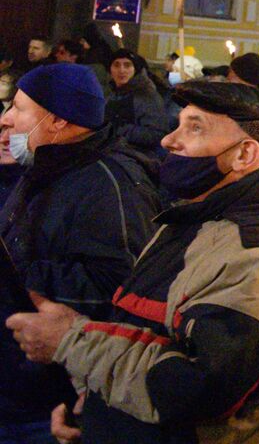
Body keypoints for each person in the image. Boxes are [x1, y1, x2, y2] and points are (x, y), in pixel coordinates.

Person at [6, 80, 259, 443]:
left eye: (194, 128)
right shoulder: (194, 219)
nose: (168, 140)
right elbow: (143, 332)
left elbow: (194, 387)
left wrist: (70, 341)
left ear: (244, 155)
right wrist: (97, 401)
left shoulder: (258, 254)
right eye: (179, 123)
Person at [0, 65, 160, 444]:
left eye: (19, 108)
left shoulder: (107, 182)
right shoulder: (45, 168)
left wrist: (19, 278)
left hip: (51, 396)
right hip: (18, 380)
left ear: (56, 120)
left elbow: (120, 285)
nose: (6, 118)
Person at [104, 50, 173, 156]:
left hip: (136, 156)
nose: (121, 70)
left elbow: (157, 134)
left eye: (127, 65)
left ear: (135, 69)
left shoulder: (146, 96)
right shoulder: (110, 93)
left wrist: (119, 129)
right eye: (116, 65)